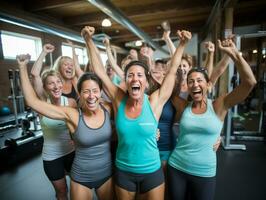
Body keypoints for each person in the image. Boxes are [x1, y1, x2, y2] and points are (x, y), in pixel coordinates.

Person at [81, 25, 191, 200]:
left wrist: (183, 44)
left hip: (152, 172)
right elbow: (100, 72)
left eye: (140, 75)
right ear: (125, 80)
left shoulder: (154, 102)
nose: (135, 78)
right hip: (124, 172)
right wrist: (88, 40)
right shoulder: (118, 99)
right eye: (130, 75)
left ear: (146, 82)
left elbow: (171, 72)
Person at [167, 38, 257, 200]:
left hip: (204, 172)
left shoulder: (219, 105)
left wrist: (235, 55)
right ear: (186, 86)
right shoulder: (183, 106)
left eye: (199, 80)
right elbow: (169, 79)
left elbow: (249, 82)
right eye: (191, 81)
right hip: (177, 167)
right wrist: (176, 44)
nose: (195, 84)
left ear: (208, 85)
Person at [17, 54, 114, 200]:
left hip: (106, 175)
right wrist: (22, 67)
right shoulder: (72, 114)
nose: (91, 95)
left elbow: (130, 116)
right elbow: (32, 101)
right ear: (79, 93)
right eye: (86, 91)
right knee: (62, 192)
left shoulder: (109, 108)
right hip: (81, 178)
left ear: (101, 92)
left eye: (95, 90)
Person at [30, 44, 76, 200]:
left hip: (72, 152)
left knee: (78, 189)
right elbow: (35, 75)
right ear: (45, 87)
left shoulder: (70, 102)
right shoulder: (42, 102)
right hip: (52, 156)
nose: (56, 86)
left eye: (58, 82)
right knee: (62, 192)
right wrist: (43, 52)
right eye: (51, 83)